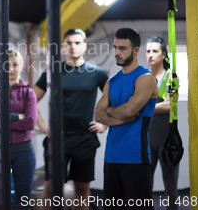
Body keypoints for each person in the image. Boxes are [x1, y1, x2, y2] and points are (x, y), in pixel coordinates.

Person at [33, 28, 109, 210]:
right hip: (57, 139)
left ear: (84, 46)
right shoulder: (53, 72)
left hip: (85, 138)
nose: (73, 47)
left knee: (82, 189)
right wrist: (43, 125)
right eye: (69, 43)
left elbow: (114, 98)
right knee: (52, 188)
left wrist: (105, 124)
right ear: (64, 47)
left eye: (77, 43)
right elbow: (30, 99)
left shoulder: (96, 73)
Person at [94, 28, 158, 209]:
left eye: (122, 48)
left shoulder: (145, 78)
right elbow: (98, 115)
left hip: (135, 157)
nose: (117, 53)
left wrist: (111, 111)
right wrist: (119, 115)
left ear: (136, 50)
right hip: (112, 157)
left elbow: (129, 111)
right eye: (115, 47)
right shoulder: (111, 81)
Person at [0, 49, 37, 207]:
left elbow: (30, 122)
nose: (11, 69)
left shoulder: (29, 93)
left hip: (23, 152)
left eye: (15, 64)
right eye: (7, 65)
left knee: (23, 202)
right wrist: (17, 116)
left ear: (21, 67)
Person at [146, 36, 179, 209]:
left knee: (171, 188)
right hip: (147, 138)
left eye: (155, 51)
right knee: (144, 186)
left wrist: (144, 107)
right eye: (148, 51)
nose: (150, 55)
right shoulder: (142, 78)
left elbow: (169, 106)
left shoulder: (171, 77)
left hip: (167, 139)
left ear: (164, 54)